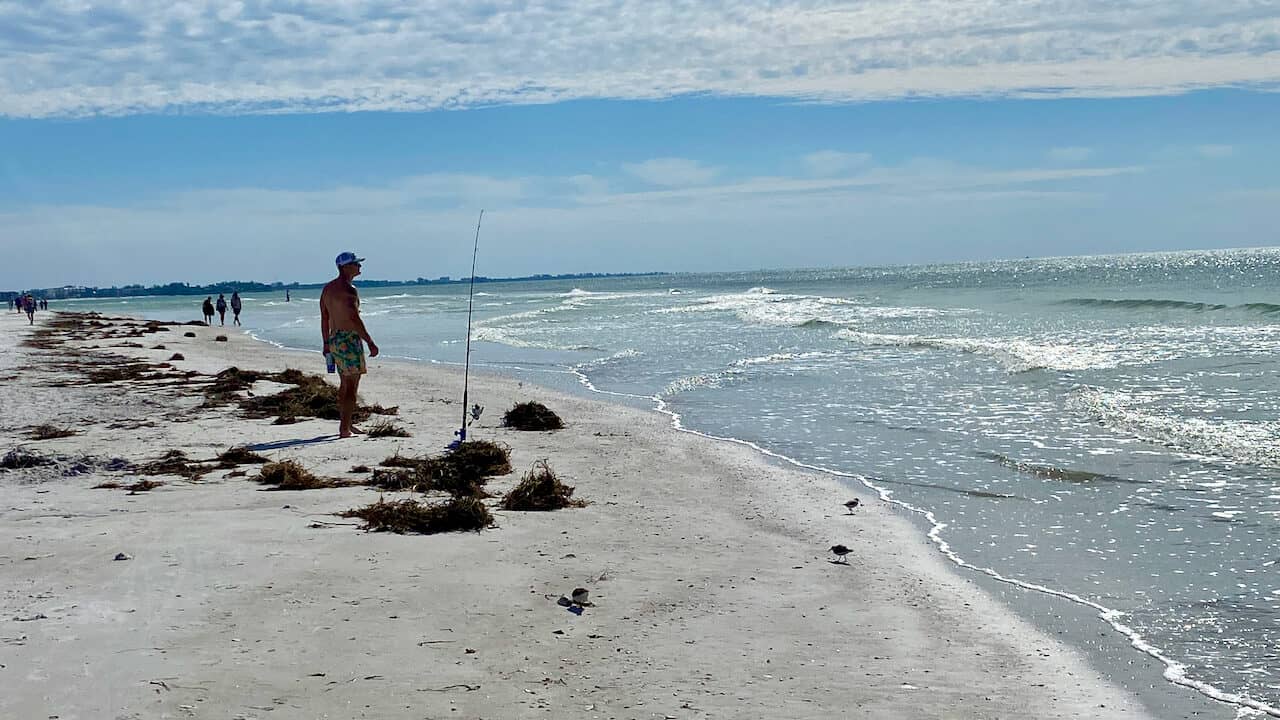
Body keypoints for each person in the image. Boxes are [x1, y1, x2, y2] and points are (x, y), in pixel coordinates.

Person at [320, 251, 379, 438]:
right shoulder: (348, 290)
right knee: (352, 386)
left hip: (335, 338)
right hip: (349, 340)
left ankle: (347, 424)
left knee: (345, 384)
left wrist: (326, 342)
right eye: (356, 264)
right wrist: (369, 341)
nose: (359, 267)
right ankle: (344, 429)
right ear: (345, 267)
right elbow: (354, 318)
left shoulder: (328, 289)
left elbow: (325, 317)